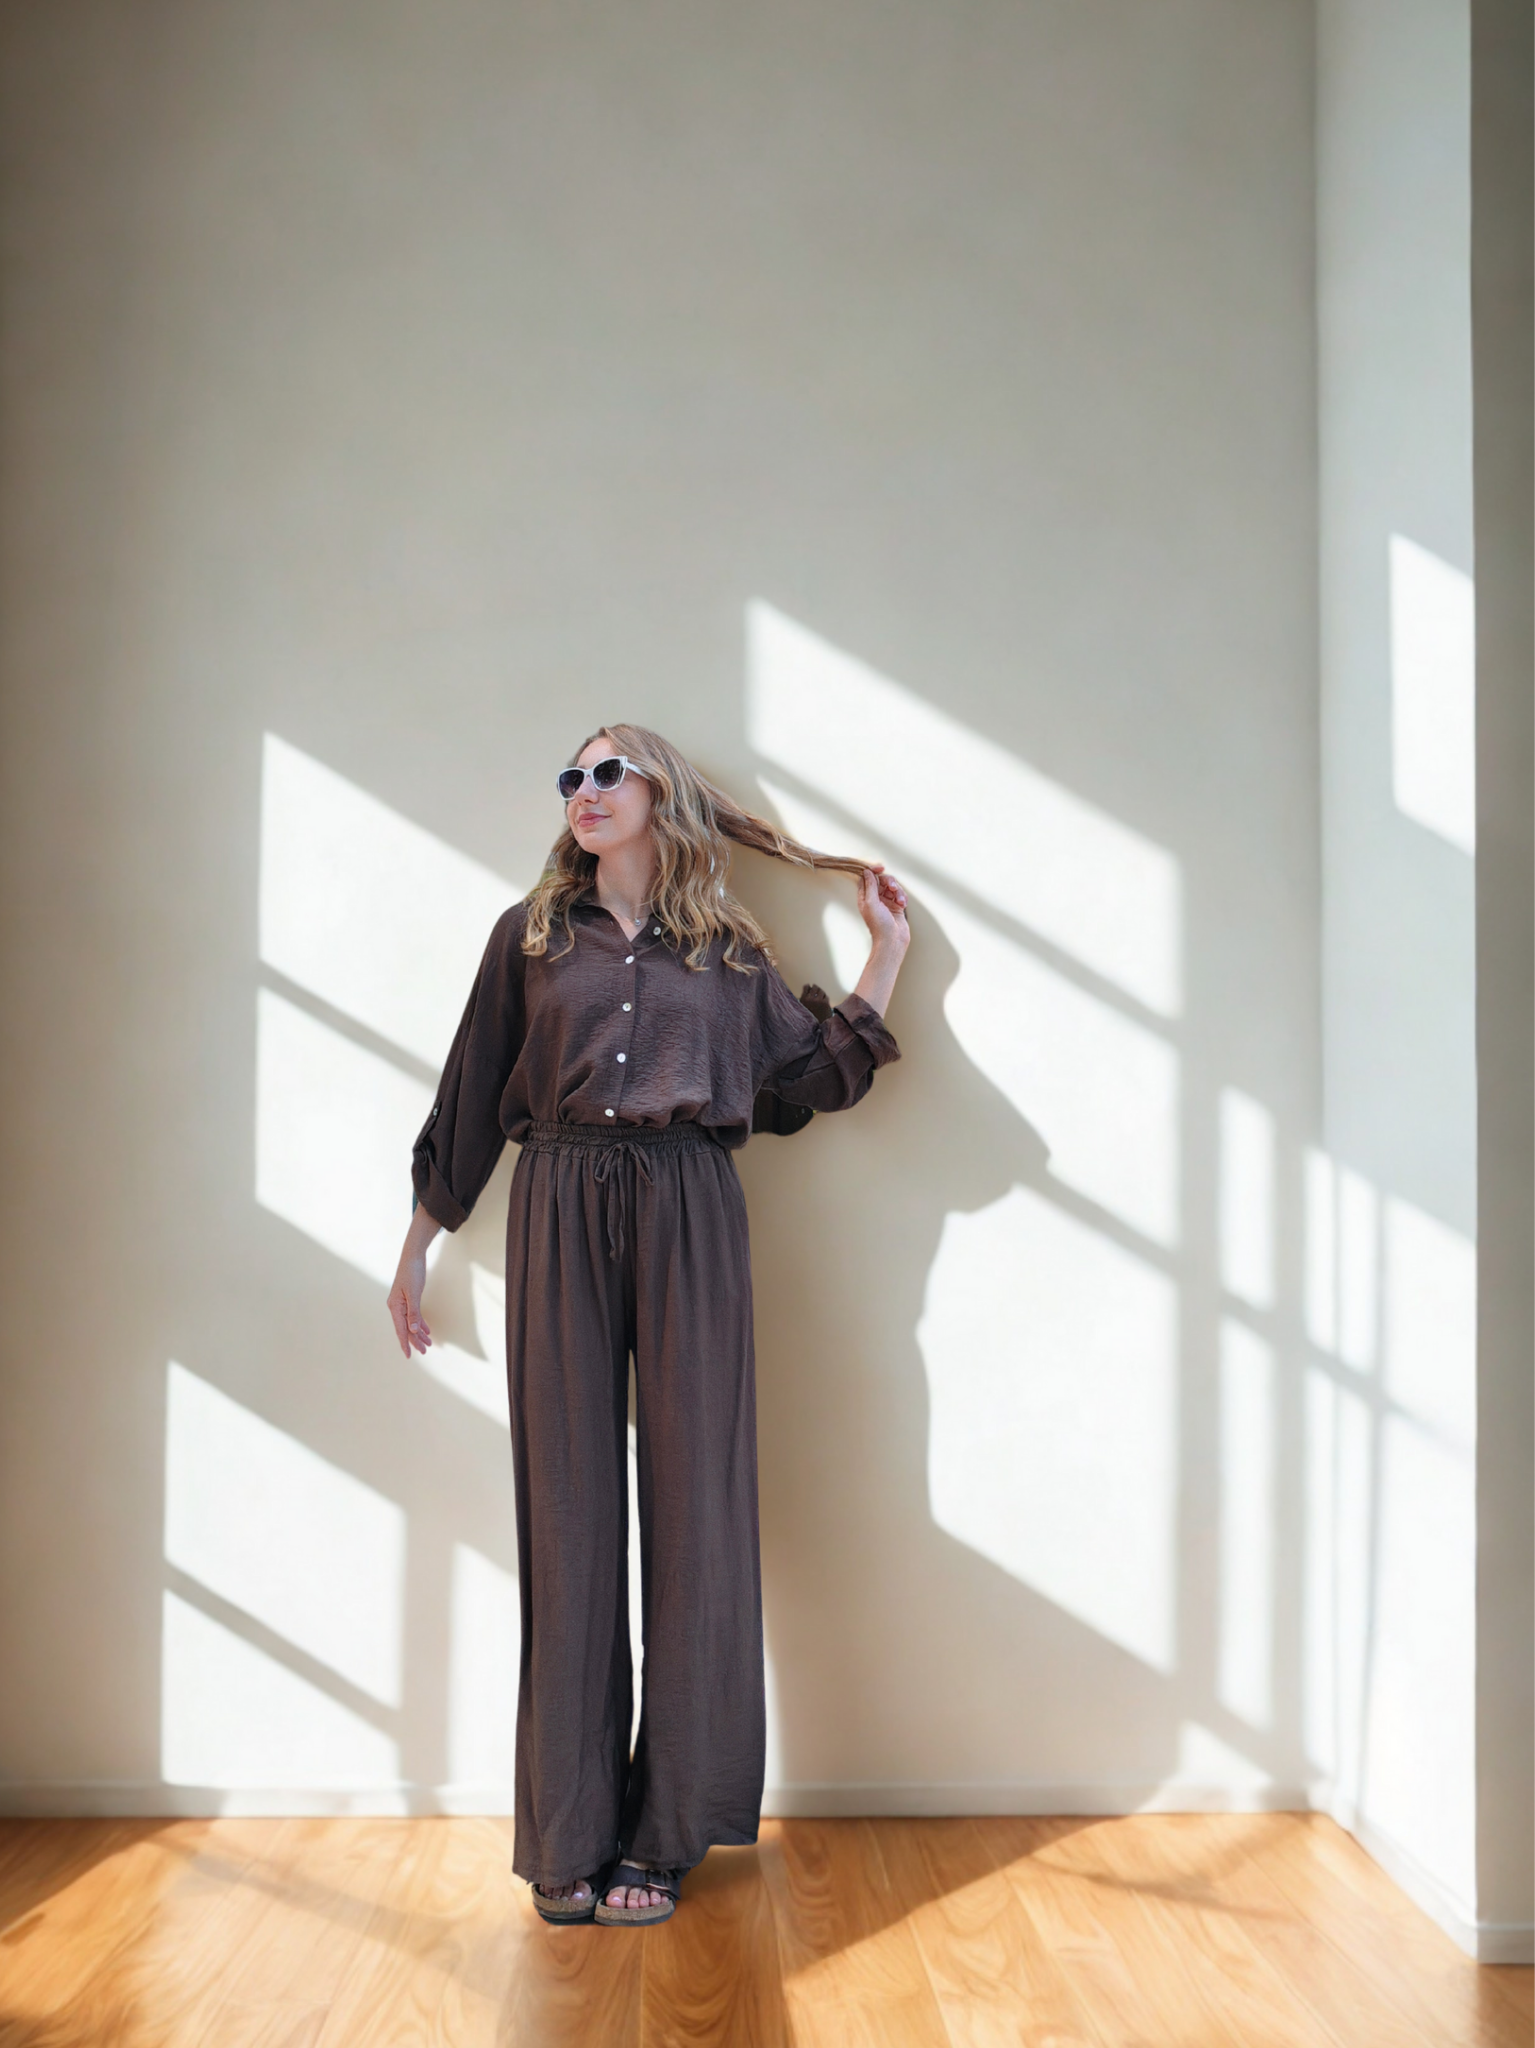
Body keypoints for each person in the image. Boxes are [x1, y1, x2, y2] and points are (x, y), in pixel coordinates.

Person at [386, 723, 910, 1926]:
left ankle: (664, 1832)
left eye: (606, 771)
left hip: (690, 1205)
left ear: (659, 790)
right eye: (569, 776)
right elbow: (469, 1089)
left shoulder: (727, 949)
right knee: (567, 1512)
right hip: (557, 1198)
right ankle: (569, 1831)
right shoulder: (526, 937)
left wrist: (882, 957)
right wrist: (417, 1243)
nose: (582, 790)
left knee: (696, 1511)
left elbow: (809, 1078)